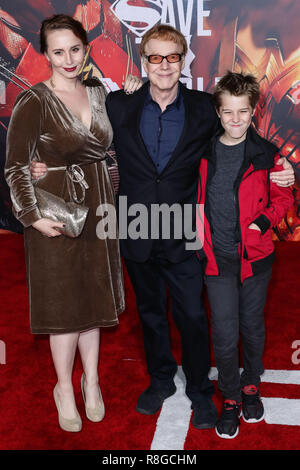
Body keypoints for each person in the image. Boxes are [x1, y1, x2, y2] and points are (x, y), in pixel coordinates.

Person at [30, 24, 295, 430]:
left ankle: (201, 392)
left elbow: (244, 134)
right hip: (134, 226)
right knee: (151, 313)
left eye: (172, 57)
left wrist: (282, 167)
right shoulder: (119, 104)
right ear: (143, 60)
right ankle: (159, 379)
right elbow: (80, 138)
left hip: (185, 228)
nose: (164, 65)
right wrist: (44, 166)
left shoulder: (207, 107)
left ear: (184, 60)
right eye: (155, 57)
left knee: (192, 314)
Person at [4, 14, 140, 433]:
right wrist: (33, 217)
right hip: (55, 212)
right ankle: (64, 387)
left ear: (87, 49)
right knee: (65, 307)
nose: (67, 58)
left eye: (75, 49)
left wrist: (135, 87)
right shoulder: (34, 101)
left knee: (94, 303)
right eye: (58, 51)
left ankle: (91, 381)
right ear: (45, 54)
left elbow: (114, 135)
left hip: (99, 205)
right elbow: (15, 169)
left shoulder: (98, 94)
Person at [197, 71, 294, 439]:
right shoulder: (203, 152)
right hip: (216, 260)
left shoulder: (267, 153)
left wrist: (262, 223)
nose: (235, 120)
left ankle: (251, 384)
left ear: (254, 111)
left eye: (243, 111)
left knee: (251, 327)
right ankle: (232, 397)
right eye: (228, 112)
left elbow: (283, 196)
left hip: (255, 259)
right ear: (218, 113)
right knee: (223, 333)